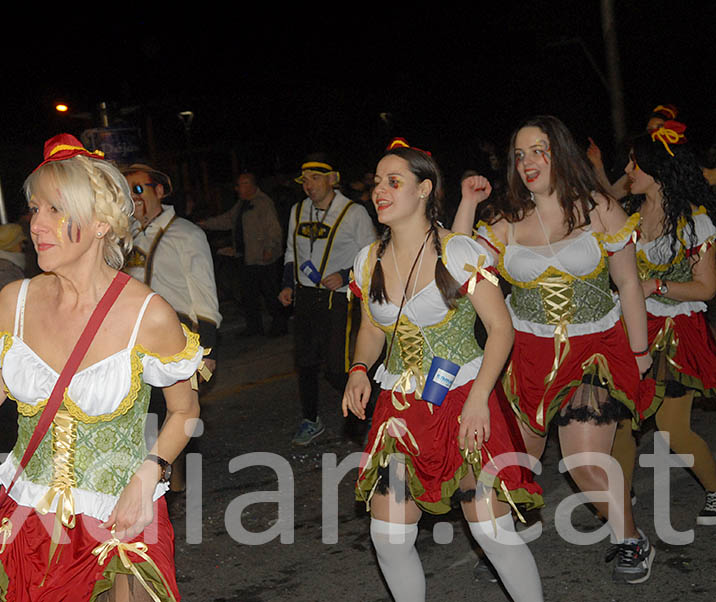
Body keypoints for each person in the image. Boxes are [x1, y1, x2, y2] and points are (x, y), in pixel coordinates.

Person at [0, 134, 202, 601]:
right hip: (27, 526)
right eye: (34, 209)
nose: (37, 225)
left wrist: (149, 473)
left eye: (56, 210)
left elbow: (185, 412)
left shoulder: (147, 314)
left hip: (117, 522)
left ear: (100, 224)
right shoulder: (15, 302)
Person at [454, 115, 656, 584]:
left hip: (595, 352)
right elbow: (459, 262)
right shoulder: (505, 219)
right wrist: (467, 201)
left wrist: (641, 350)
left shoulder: (600, 206)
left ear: (559, 151)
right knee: (512, 463)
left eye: (538, 150)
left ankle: (631, 538)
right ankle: (507, 550)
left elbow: (627, 282)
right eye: (520, 154)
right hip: (528, 357)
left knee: (585, 463)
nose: (528, 162)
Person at [344, 141, 543, 602]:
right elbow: (374, 330)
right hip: (400, 409)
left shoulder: (458, 252)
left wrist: (478, 401)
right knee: (388, 537)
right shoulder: (368, 259)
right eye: (377, 182)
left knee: (491, 529)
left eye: (394, 182)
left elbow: (500, 328)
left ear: (424, 189)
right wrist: (358, 369)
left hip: (464, 396)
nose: (380, 191)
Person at [610, 121, 716, 525]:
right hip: (637, 330)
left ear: (658, 170)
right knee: (623, 422)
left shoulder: (693, 222)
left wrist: (657, 284)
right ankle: (619, 502)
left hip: (676, 334)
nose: (629, 172)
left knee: (672, 426)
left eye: (635, 164)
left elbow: (706, 288)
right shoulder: (630, 220)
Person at [123, 161, 219, 492]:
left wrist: (207, 348)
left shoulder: (187, 233)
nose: (133, 197)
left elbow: (204, 294)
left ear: (159, 191)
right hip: (135, 337)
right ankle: (161, 486)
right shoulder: (124, 238)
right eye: (127, 190)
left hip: (179, 335)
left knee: (177, 412)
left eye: (139, 188)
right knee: (145, 414)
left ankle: (174, 488)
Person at [279, 154, 376, 445]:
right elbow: (290, 252)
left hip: (339, 298)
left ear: (332, 179)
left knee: (337, 367)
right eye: (305, 180)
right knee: (305, 363)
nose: (309, 185)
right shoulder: (298, 211)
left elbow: (371, 254)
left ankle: (367, 412)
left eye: (316, 178)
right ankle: (311, 419)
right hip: (307, 296)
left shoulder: (353, 212)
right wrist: (287, 284)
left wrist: (346, 275)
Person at [198, 172, 286, 336]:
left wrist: (270, 248)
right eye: (238, 185)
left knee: (270, 294)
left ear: (251, 184)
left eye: (242, 184)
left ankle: (280, 325)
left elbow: (274, 229)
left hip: (263, 259)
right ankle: (254, 327)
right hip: (246, 258)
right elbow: (227, 220)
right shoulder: (242, 204)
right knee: (249, 296)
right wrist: (206, 224)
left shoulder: (263, 203)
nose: (238, 188)